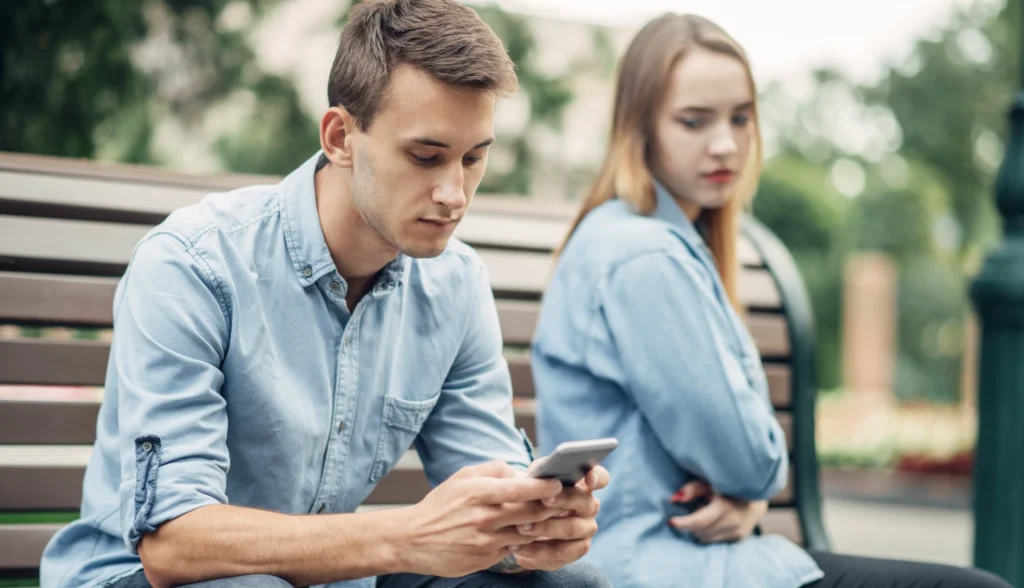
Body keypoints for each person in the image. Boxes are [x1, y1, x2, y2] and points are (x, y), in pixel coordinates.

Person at [39, 2, 612, 587]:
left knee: (570, 584)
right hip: (141, 576)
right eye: (425, 156)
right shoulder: (194, 263)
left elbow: (488, 495)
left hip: (336, 575)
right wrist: (405, 536)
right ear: (341, 136)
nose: (454, 192)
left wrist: (533, 531)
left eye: (474, 158)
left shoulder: (455, 285)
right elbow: (173, 546)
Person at [530, 12, 1011, 588]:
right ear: (641, 128)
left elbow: (740, 468)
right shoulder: (646, 257)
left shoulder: (648, 240)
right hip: (663, 566)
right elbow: (749, 462)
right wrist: (752, 488)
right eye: (693, 121)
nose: (725, 144)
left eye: (741, 117)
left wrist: (750, 499)